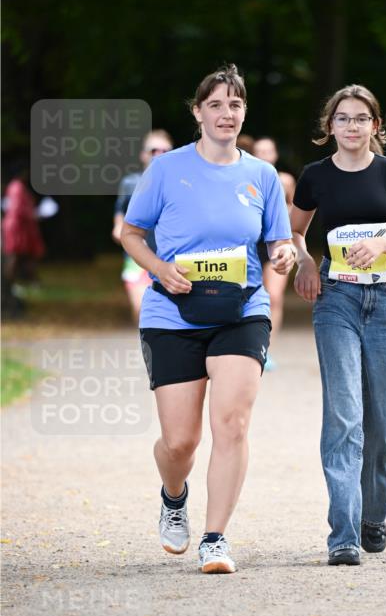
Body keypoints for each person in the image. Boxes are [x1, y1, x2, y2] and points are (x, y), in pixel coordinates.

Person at [121, 65, 296, 574]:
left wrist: (283, 256)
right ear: (197, 112)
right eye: (216, 104)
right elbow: (131, 234)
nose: (226, 113)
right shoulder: (165, 170)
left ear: (245, 113)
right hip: (171, 311)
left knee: (233, 424)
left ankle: (215, 539)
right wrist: (159, 269)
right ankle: (173, 496)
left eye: (235, 104)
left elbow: (277, 241)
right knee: (180, 442)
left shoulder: (260, 176)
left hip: (241, 310)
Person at [291, 84, 386, 566]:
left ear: (376, 126)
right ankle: (345, 534)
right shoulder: (315, 177)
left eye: (361, 119)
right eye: (343, 118)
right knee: (345, 417)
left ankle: (374, 515)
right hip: (337, 299)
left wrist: (385, 245)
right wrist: (306, 264)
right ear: (329, 126)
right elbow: (293, 229)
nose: (352, 127)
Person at [112, 130, 174, 322]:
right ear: (144, 154)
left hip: (171, 258)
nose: (159, 154)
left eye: (165, 150)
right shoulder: (130, 183)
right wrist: (118, 228)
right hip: (138, 257)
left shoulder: (180, 183)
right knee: (141, 309)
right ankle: (147, 349)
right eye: (154, 150)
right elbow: (120, 212)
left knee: (169, 315)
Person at [253, 136, 297, 367]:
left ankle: (266, 349)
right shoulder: (245, 178)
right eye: (258, 151)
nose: (263, 155)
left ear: (275, 155)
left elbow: (297, 211)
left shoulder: (285, 180)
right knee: (250, 295)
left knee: (274, 297)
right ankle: (249, 344)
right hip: (250, 245)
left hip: (276, 244)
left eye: (267, 151)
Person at [1, 170, 45, 290]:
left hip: (20, 226)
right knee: (15, 255)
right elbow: (17, 209)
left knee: (23, 255)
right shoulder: (17, 187)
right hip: (16, 227)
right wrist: (33, 215)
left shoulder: (17, 187)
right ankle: (9, 285)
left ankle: (24, 283)